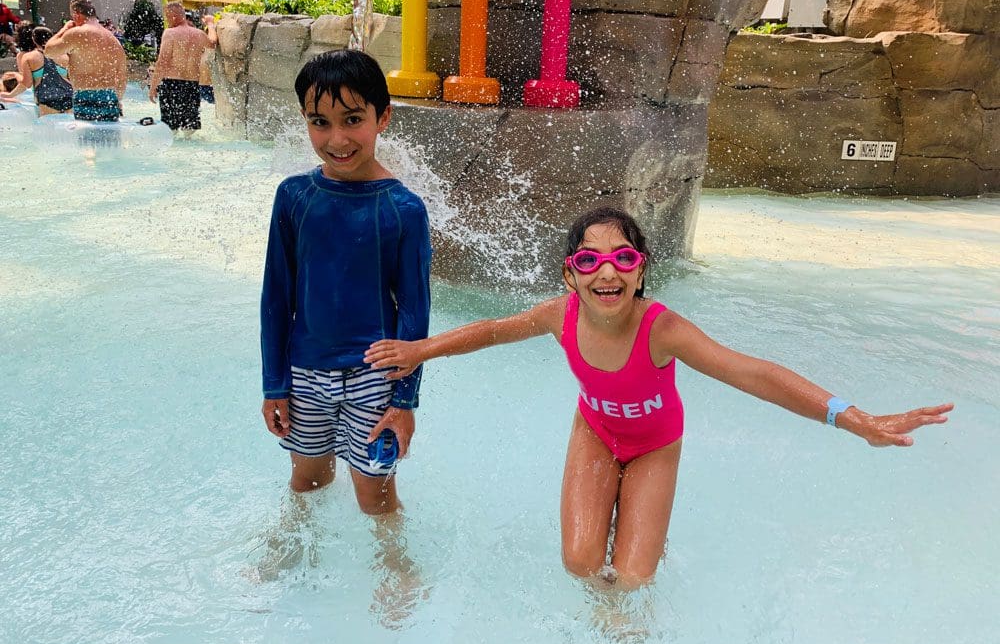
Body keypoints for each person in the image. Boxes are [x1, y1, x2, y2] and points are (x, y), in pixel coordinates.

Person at [365, 206, 954, 589]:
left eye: (623, 257)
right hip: (595, 433)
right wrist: (422, 350)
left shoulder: (661, 330)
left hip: (654, 448)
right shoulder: (558, 317)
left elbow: (751, 373)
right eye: (589, 259)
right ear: (570, 276)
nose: (607, 271)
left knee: (633, 578)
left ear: (641, 271)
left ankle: (642, 541)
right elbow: (492, 330)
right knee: (580, 564)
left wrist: (852, 418)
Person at [260, 49, 432, 519]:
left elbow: (415, 314)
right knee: (306, 480)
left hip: (374, 380)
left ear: (383, 118)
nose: (337, 138)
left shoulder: (404, 209)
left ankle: (395, 569)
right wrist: (274, 384)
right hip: (305, 375)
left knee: (374, 495)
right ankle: (297, 553)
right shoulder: (294, 196)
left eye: (353, 119)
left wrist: (405, 401)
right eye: (320, 122)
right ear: (305, 120)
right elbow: (276, 295)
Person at [44, 0, 127, 121]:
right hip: (110, 96)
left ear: (76, 15)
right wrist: (117, 99)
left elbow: (48, 51)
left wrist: (64, 29)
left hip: (85, 94)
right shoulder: (113, 39)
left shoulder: (77, 33)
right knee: (111, 139)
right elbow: (122, 76)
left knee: (87, 139)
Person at [148, 3, 209, 133]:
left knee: (170, 129)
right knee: (190, 129)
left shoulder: (170, 33)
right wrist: (212, 25)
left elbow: (162, 61)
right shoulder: (200, 34)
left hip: (172, 84)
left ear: (174, 17)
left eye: (167, 17)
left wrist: (153, 86)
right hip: (192, 85)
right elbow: (213, 44)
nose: (167, 20)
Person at [0, 26, 73, 115]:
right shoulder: (64, 56)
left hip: (46, 99)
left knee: (48, 128)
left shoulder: (29, 57)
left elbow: (27, 83)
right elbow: (73, 79)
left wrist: (10, 95)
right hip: (68, 97)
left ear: (34, 40)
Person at [197, 14, 217, 104]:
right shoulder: (205, 47)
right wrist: (210, 23)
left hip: (203, 86)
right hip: (208, 87)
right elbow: (212, 41)